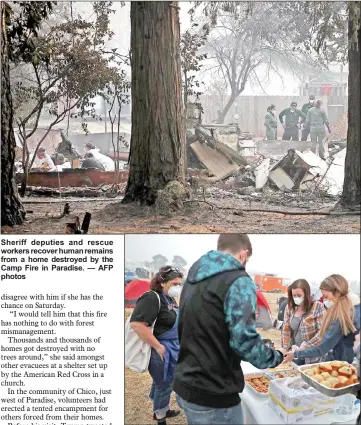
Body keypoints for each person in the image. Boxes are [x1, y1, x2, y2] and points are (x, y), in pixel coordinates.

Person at [173, 234, 285, 425]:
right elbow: (244, 343)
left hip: (186, 382)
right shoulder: (238, 280)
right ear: (243, 254)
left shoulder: (195, 273)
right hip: (214, 393)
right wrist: (277, 356)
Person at [130, 266, 184, 425]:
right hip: (160, 349)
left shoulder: (169, 298)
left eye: (179, 284)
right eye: (174, 283)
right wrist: (158, 347)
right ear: (162, 282)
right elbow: (137, 325)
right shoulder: (152, 298)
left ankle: (162, 408)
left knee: (164, 381)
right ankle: (160, 418)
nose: (177, 287)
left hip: (173, 348)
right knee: (164, 384)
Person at [283, 275, 360, 364]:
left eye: (326, 296)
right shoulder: (350, 311)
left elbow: (322, 348)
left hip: (338, 364)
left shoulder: (339, 318)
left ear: (337, 292)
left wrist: (297, 353)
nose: (324, 300)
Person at [281, 279, 326, 366]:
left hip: (312, 355)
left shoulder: (317, 307)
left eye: (299, 295)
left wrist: (305, 346)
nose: (296, 298)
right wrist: (284, 348)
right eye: (294, 295)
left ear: (306, 294)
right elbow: (286, 329)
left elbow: (322, 333)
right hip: (294, 352)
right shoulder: (289, 307)